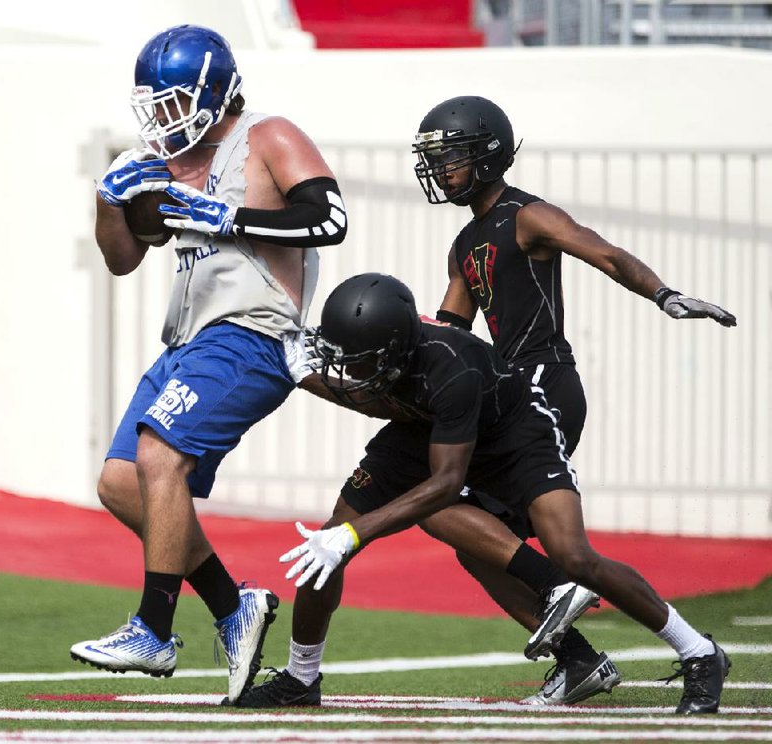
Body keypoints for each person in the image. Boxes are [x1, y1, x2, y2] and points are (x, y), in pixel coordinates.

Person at [241, 272, 730, 716]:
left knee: (575, 557)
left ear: (394, 352)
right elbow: (377, 398)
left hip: (513, 436)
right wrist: (302, 373)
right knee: (328, 546)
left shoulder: (453, 369)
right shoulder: (395, 358)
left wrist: (355, 533)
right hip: (421, 429)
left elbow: (446, 482)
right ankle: (301, 678)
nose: (348, 369)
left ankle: (698, 652)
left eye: (360, 360)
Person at [405, 95, 737, 700]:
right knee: (471, 539)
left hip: (545, 389)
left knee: (570, 556)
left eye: (449, 156)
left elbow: (601, 250)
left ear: (486, 155)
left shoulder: (526, 215)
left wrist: (665, 294)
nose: (439, 169)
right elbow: (452, 334)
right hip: (511, 398)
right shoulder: (464, 243)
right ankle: (578, 661)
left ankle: (697, 653)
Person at [69, 24, 347, 705]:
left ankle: (155, 629)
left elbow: (329, 216)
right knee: (119, 482)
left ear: (214, 91)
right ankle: (232, 605)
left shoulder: (268, 134)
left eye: (173, 102)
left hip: (253, 328)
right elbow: (123, 256)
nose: (163, 118)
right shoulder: (165, 162)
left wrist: (228, 217)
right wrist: (108, 199)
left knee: (162, 456)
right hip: (188, 339)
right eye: (154, 104)